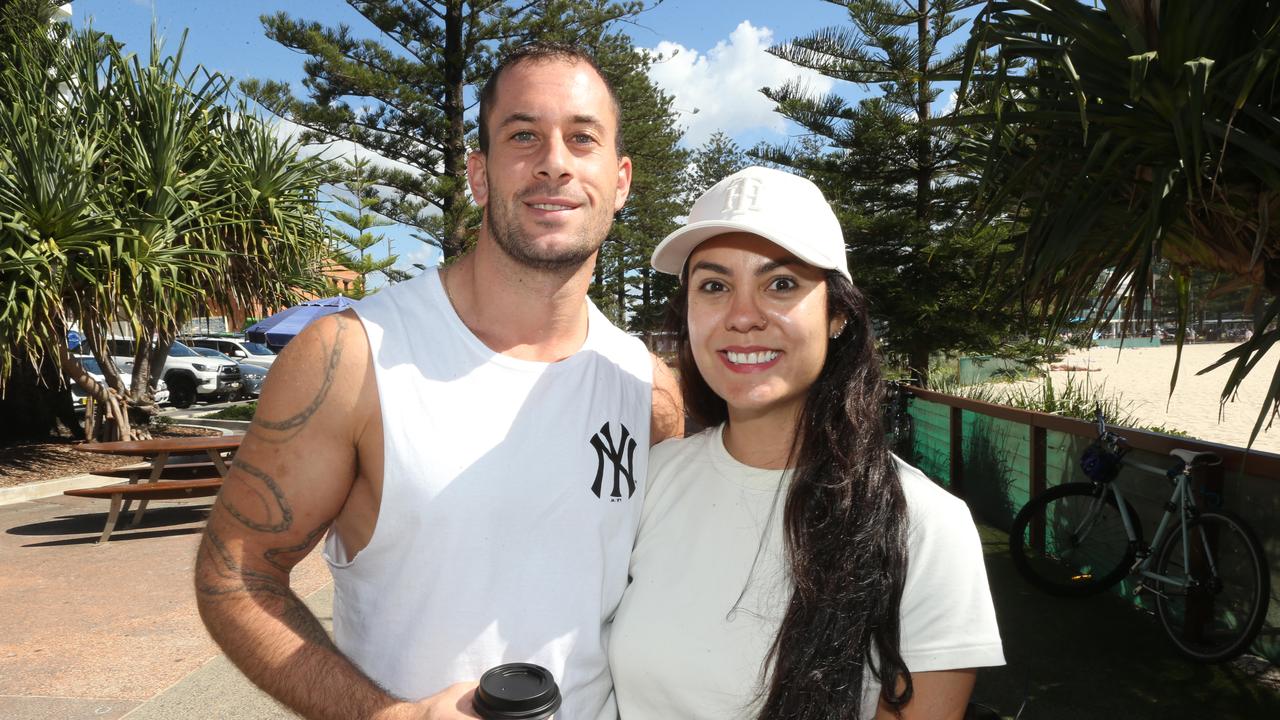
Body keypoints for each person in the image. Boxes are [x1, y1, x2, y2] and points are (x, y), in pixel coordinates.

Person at [194, 43, 682, 720]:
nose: (554, 161)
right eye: (523, 135)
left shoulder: (650, 390)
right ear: (479, 175)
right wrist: (384, 716)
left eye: (581, 138)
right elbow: (235, 572)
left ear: (621, 179)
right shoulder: (351, 359)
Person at [610, 166, 1004, 719]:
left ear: (837, 312)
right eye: (714, 286)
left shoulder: (925, 524)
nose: (742, 317)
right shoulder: (649, 482)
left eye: (781, 284)